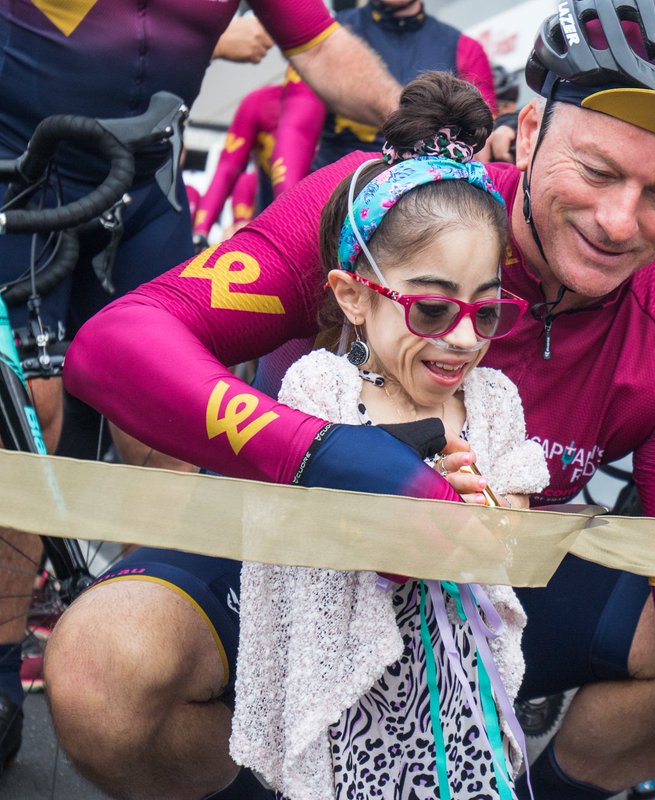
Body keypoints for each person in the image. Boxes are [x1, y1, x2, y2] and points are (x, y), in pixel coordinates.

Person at [48, 3, 655, 800]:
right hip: (294, 550)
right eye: (599, 172)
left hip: (488, 585)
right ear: (530, 131)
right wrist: (320, 452)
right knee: (100, 670)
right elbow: (114, 346)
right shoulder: (393, 210)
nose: (616, 221)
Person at [0, 0, 407, 773]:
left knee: (169, 419)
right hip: (20, 171)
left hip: (144, 187)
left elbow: (322, 52)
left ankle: (144, 629)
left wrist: (424, 124)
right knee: (26, 420)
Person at [230, 72, 548, 799]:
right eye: (432, 310)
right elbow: (322, 551)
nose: (464, 339)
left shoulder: (494, 400)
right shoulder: (321, 390)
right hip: (352, 700)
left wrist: (487, 516)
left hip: (465, 701)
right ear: (353, 294)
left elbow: (517, 547)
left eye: (488, 311)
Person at [269, 0, 495, 196]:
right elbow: (295, 131)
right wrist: (289, 209)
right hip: (338, 197)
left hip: (430, 204)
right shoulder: (324, 38)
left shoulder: (465, 48)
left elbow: (481, 148)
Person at [192, 83, 284, 249]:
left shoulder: (341, 101)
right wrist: (200, 231)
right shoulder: (261, 102)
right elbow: (227, 168)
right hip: (271, 219)